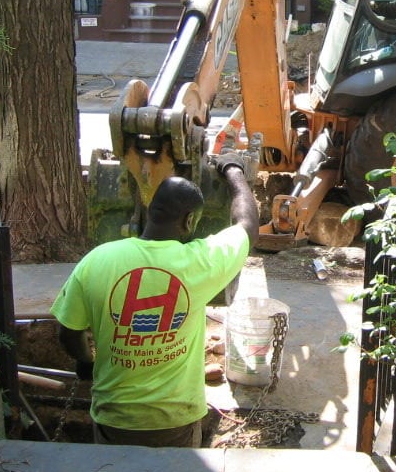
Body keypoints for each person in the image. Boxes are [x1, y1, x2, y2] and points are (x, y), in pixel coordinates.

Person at [51, 158, 259, 449]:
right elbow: (247, 225)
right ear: (189, 221)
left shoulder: (97, 260)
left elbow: (68, 332)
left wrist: (86, 363)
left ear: (150, 209)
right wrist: (233, 172)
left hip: (114, 418)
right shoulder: (200, 264)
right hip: (176, 420)